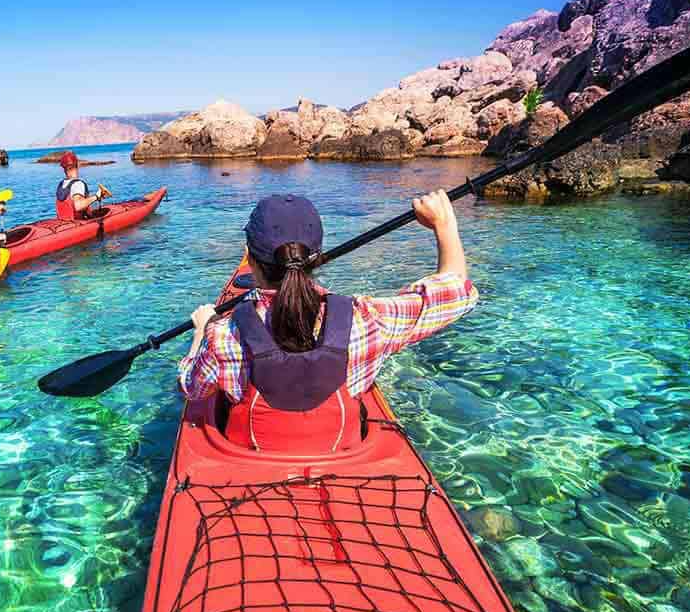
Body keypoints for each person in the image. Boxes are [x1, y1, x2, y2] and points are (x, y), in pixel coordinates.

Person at [179, 191, 478, 453]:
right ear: (317, 258)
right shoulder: (366, 320)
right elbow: (459, 292)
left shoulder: (222, 336)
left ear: (251, 261)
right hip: (341, 458)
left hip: (251, 461)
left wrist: (202, 331)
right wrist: (444, 224)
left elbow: (191, 388)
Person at [54, 151, 111, 219]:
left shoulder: (62, 184)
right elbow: (78, 206)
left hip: (64, 222)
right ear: (77, 165)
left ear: (64, 168)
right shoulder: (78, 184)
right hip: (77, 222)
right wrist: (96, 196)